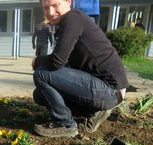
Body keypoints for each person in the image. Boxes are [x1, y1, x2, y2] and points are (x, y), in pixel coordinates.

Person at [32, 0, 128, 137]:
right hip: (104, 89)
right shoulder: (68, 23)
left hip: (110, 90)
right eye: (46, 8)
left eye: (55, 5)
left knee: (41, 74)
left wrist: (37, 61)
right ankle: (94, 111)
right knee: (40, 95)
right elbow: (64, 64)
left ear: (68, 2)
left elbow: (57, 61)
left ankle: (65, 124)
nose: (50, 12)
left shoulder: (73, 18)